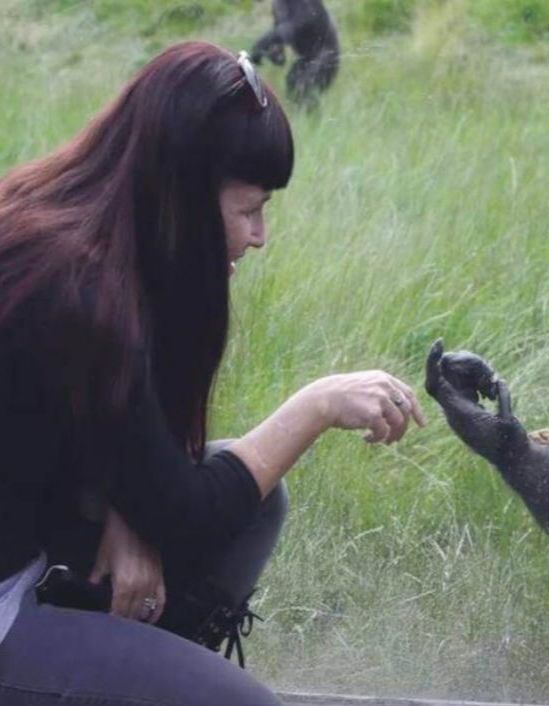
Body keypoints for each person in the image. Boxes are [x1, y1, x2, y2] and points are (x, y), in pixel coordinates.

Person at [0, 41, 424, 705]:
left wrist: (123, 507)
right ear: (184, 194)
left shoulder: (75, 241)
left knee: (257, 505)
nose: (259, 237)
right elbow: (185, 513)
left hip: (23, 550)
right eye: (249, 209)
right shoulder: (76, 290)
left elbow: (100, 446)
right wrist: (314, 406)